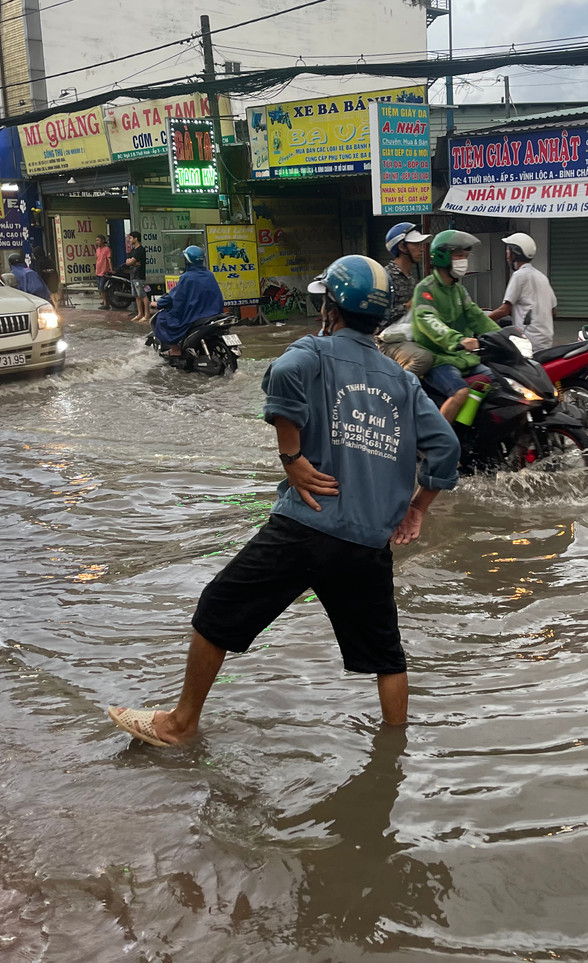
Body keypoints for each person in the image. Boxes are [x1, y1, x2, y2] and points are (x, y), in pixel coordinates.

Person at [107, 255, 460, 745]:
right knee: (386, 655)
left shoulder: (312, 353)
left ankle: (181, 724)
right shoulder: (400, 379)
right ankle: (393, 752)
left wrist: (290, 455)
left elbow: (283, 374)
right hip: (367, 542)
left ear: (330, 309)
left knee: (215, 612)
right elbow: (446, 446)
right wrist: (418, 507)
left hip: (306, 526)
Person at [411, 230, 500, 424]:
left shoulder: (459, 290)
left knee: (502, 383)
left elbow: (477, 317)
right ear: (443, 256)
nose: (463, 261)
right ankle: (439, 443)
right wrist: (459, 340)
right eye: (459, 255)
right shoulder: (425, 289)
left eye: (466, 256)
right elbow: (429, 321)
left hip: (463, 359)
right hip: (439, 360)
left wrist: (504, 338)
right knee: (460, 392)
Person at [375, 222, 433, 376]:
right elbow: (377, 317)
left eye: (422, 244)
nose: (422, 248)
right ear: (402, 247)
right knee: (423, 359)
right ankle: (396, 389)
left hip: (409, 335)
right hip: (388, 341)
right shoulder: (385, 277)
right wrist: (406, 307)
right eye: (416, 244)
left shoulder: (411, 279)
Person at [488, 231, 556, 352]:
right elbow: (553, 311)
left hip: (529, 341)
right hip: (546, 340)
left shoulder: (519, 276)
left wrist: (482, 319)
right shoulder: (541, 276)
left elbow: (505, 310)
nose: (507, 255)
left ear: (516, 253)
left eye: (508, 251)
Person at [152, 245, 224, 356]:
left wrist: (159, 303)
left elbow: (175, 296)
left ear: (187, 261)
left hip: (195, 314)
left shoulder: (187, 277)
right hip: (213, 313)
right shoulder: (209, 275)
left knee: (163, 318)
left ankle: (175, 349)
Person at [123, 231, 148, 322]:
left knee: (143, 295)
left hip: (139, 276)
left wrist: (132, 262)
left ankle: (147, 314)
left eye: (131, 238)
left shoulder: (140, 249)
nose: (129, 240)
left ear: (136, 238)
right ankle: (140, 313)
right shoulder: (133, 250)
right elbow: (128, 261)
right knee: (137, 296)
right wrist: (132, 262)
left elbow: (132, 261)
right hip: (133, 275)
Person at [32, 242, 61, 310]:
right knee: (54, 297)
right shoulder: (50, 261)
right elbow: (55, 272)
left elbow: (39, 274)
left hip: (44, 283)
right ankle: (55, 309)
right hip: (53, 282)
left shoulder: (38, 263)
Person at [94, 234, 112, 309]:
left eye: (98, 240)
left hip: (104, 272)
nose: (97, 242)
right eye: (96, 240)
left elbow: (109, 260)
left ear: (102, 241)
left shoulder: (107, 249)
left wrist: (111, 269)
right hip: (98, 271)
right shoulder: (97, 250)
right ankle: (104, 301)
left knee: (102, 288)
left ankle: (106, 304)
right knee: (99, 288)